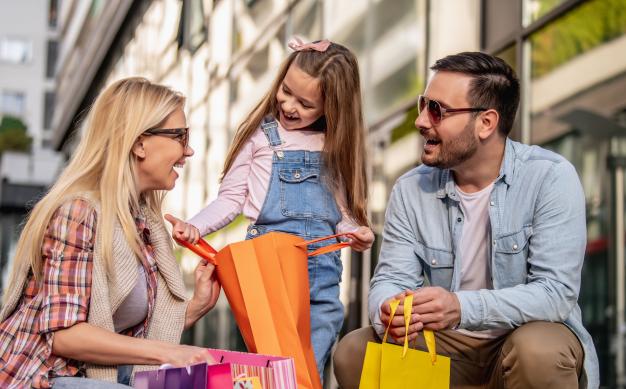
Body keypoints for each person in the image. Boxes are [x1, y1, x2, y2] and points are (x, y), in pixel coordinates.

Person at [333, 52, 599, 389]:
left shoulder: (550, 178)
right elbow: (391, 277)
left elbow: (555, 294)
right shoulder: (411, 189)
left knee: (538, 351)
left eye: (438, 110)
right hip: (446, 348)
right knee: (355, 351)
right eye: (423, 104)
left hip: (519, 342)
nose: (421, 121)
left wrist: (460, 307)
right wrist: (388, 310)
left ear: (486, 123)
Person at [167, 37, 374, 378]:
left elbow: (343, 214)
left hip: (322, 273)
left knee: (311, 369)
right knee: (281, 372)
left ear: (332, 108)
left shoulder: (336, 145)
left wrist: (355, 232)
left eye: (305, 103)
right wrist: (196, 226)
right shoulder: (260, 137)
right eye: (286, 90)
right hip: (267, 271)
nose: (289, 105)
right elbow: (230, 199)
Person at [0, 77, 220, 389]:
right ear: (139, 143)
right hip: (39, 378)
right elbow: (65, 335)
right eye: (180, 137)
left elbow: (129, 336)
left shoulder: (142, 222)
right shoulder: (78, 212)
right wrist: (172, 352)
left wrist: (196, 306)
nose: (190, 150)